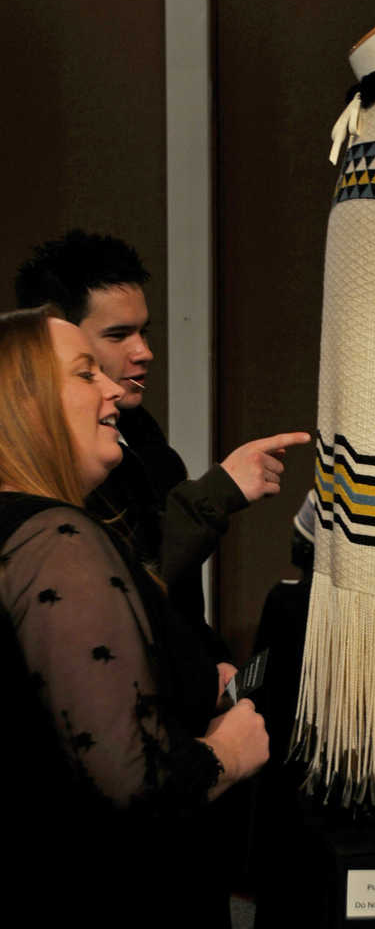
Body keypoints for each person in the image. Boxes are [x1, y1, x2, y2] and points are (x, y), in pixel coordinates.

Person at [0, 305, 269, 828]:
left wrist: (182, 681)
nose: (114, 389)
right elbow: (133, 782)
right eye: (84, 372)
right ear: (26, 406)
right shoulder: (56, 539)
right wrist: (229, 754)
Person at [15, 230, 310, 657]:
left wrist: (211, 667)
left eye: (143, 332)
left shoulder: (138, 427)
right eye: (118, 336)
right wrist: (219, 490)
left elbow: (174, 599)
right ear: (59, 340)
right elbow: (126, 585)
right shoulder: (49, 458)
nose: (144, 351)